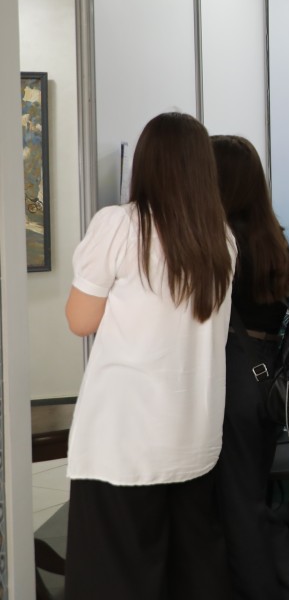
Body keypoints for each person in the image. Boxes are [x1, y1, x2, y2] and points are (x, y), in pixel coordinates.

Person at [64, 112, 235, 600]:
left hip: (125, 442)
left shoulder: (120, 225)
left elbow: (80, 320)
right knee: (189, 579)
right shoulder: (221, 239)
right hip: (194, 440)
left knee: (116, 581)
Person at [211, 134, 289, 600]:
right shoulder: (272, 235)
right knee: (251, 497)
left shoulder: (222, 241)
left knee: (239, 504)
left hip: (234, 378)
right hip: (266, 379)